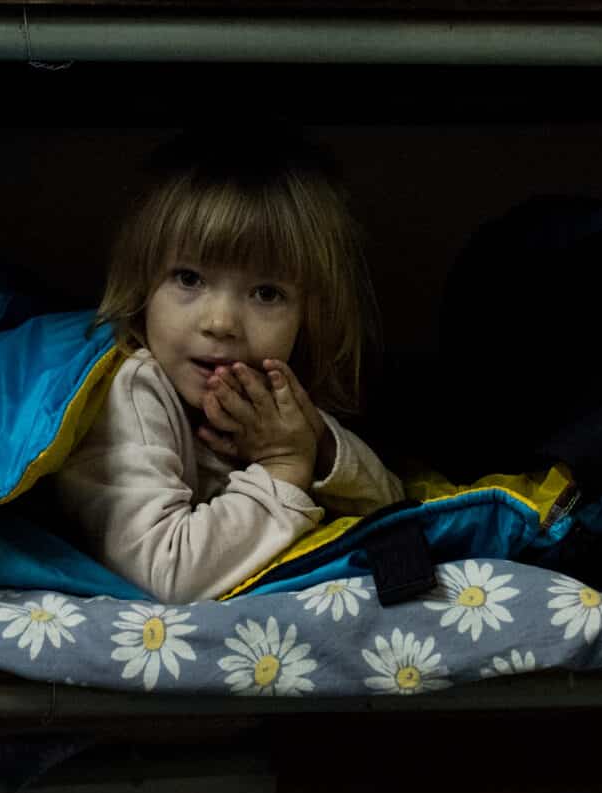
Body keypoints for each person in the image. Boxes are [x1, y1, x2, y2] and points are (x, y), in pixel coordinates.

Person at [54, 131, 406, 602]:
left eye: (266, 293)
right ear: (143, 289)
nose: (220, 323)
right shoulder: (133, 385)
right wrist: (282, 467)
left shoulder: (265, 388)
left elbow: (394, 509)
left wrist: (315, 445)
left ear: (309, 317)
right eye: (189, 278)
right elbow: (169, 572)